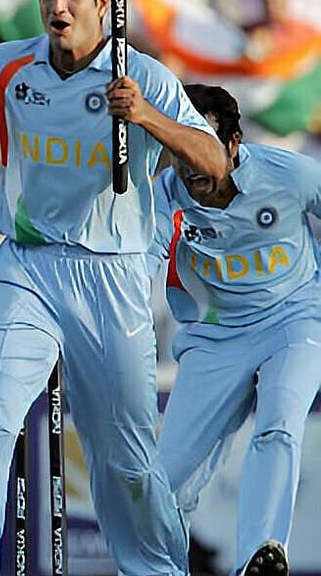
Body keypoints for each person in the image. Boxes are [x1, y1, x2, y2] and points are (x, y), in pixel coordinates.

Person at [0, 0, 229, 576]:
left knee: (125, 458)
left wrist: (146, 117)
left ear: (104, 4)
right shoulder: (11, 66)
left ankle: (159, 570)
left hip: (113, 274)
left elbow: (213, 163)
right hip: (28, 268)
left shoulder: (145, 76)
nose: (57, 5)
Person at [153, 83, 321, 576]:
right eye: (181, 148)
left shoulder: (287, 173)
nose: (190, 166)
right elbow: (139, 259)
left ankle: (260, 554)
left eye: (203, 145)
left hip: (294, 320)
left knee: (279, 421)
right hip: (215, 338)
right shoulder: (162, 198)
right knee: (166, 478)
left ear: (233, 143)